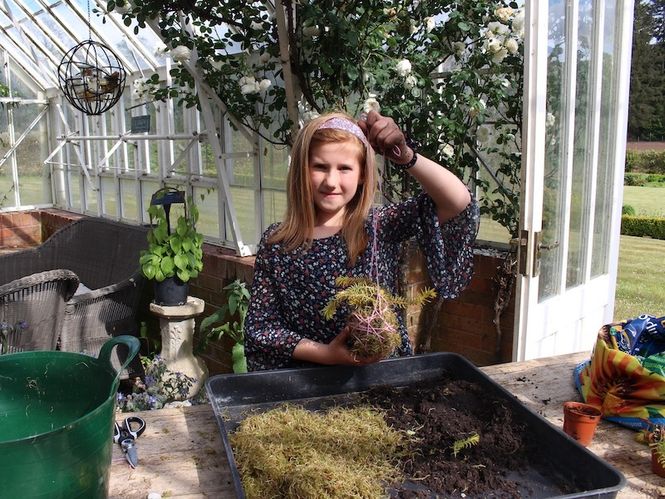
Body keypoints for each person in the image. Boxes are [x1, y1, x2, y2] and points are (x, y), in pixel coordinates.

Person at [244, 110, 479, 371]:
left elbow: (457, 202)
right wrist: (327, 354)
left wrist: (406, 156)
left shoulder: (379, 226)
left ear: (362, 174)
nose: (331, 181)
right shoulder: (279, 242)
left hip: (379, 376)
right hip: (310, 382)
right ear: (302, 170)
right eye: (320, 167)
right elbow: (262, 328)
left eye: (345, 168)